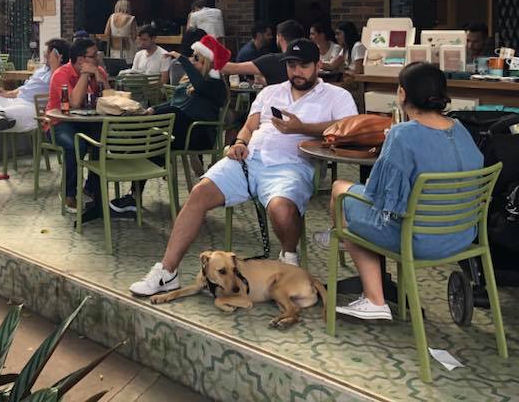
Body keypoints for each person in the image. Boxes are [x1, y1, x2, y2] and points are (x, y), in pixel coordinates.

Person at [129, 39, 357, 296]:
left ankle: (288, 263)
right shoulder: (271, 92)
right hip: (249, 160)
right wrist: (239, 142)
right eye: (292, 66)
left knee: (282, 210)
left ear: (318, 65)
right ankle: (166, 272)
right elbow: (249, 126)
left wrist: (301, 128)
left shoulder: (337, 96)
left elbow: (348, 130)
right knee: (199, 193)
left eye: (303, 66)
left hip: (291, 165)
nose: (297, 72)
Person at [328, 62, 482, 321]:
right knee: (348, 204)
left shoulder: (402, 135)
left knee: (340, 195)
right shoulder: (461, 129)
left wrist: (390, 146)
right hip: (463, 235)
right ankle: (368, 277)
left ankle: (375, 298)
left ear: (402, 93)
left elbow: (379, 198)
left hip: (416, 241)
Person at [111, 34, 229, 216]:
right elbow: (175, 103)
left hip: (198, 134)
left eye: (195, 57)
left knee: (162, 126)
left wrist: (181, 59)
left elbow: (199, 88)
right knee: (151, 143)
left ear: (207, 62)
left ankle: (126, 145)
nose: (191, 60)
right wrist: (153, 109)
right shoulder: (191, 81)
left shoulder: (216, 84)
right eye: (191, 56)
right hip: (179, 131)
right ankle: (133, 196)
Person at [0, 38, 70, 197]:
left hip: (31, 109)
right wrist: (6, 93)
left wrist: (57, 64)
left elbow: (56, 89)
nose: (44, 54)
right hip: (15, 101)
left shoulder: (61, 73)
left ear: (58, 55)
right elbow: (24, 89)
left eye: (48, 52)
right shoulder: (42, 70)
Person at [46, 36, 111, 216]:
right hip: (59, 123)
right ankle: (68, 194)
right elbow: (73, 103)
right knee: (77, 145)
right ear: (81, 59)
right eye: (93, 55)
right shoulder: (61, 74)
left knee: (103, 142)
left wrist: (97, 75)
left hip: (85, 122)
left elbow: (110, 97)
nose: (98, 58)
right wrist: (84, 74)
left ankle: (91, 189)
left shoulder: (97, 70)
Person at [221, 19, 304, 86]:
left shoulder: (272, 60)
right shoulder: (311, 60)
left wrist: (211, 60)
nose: (271, 37)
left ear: (280, 37)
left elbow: (234, 68)